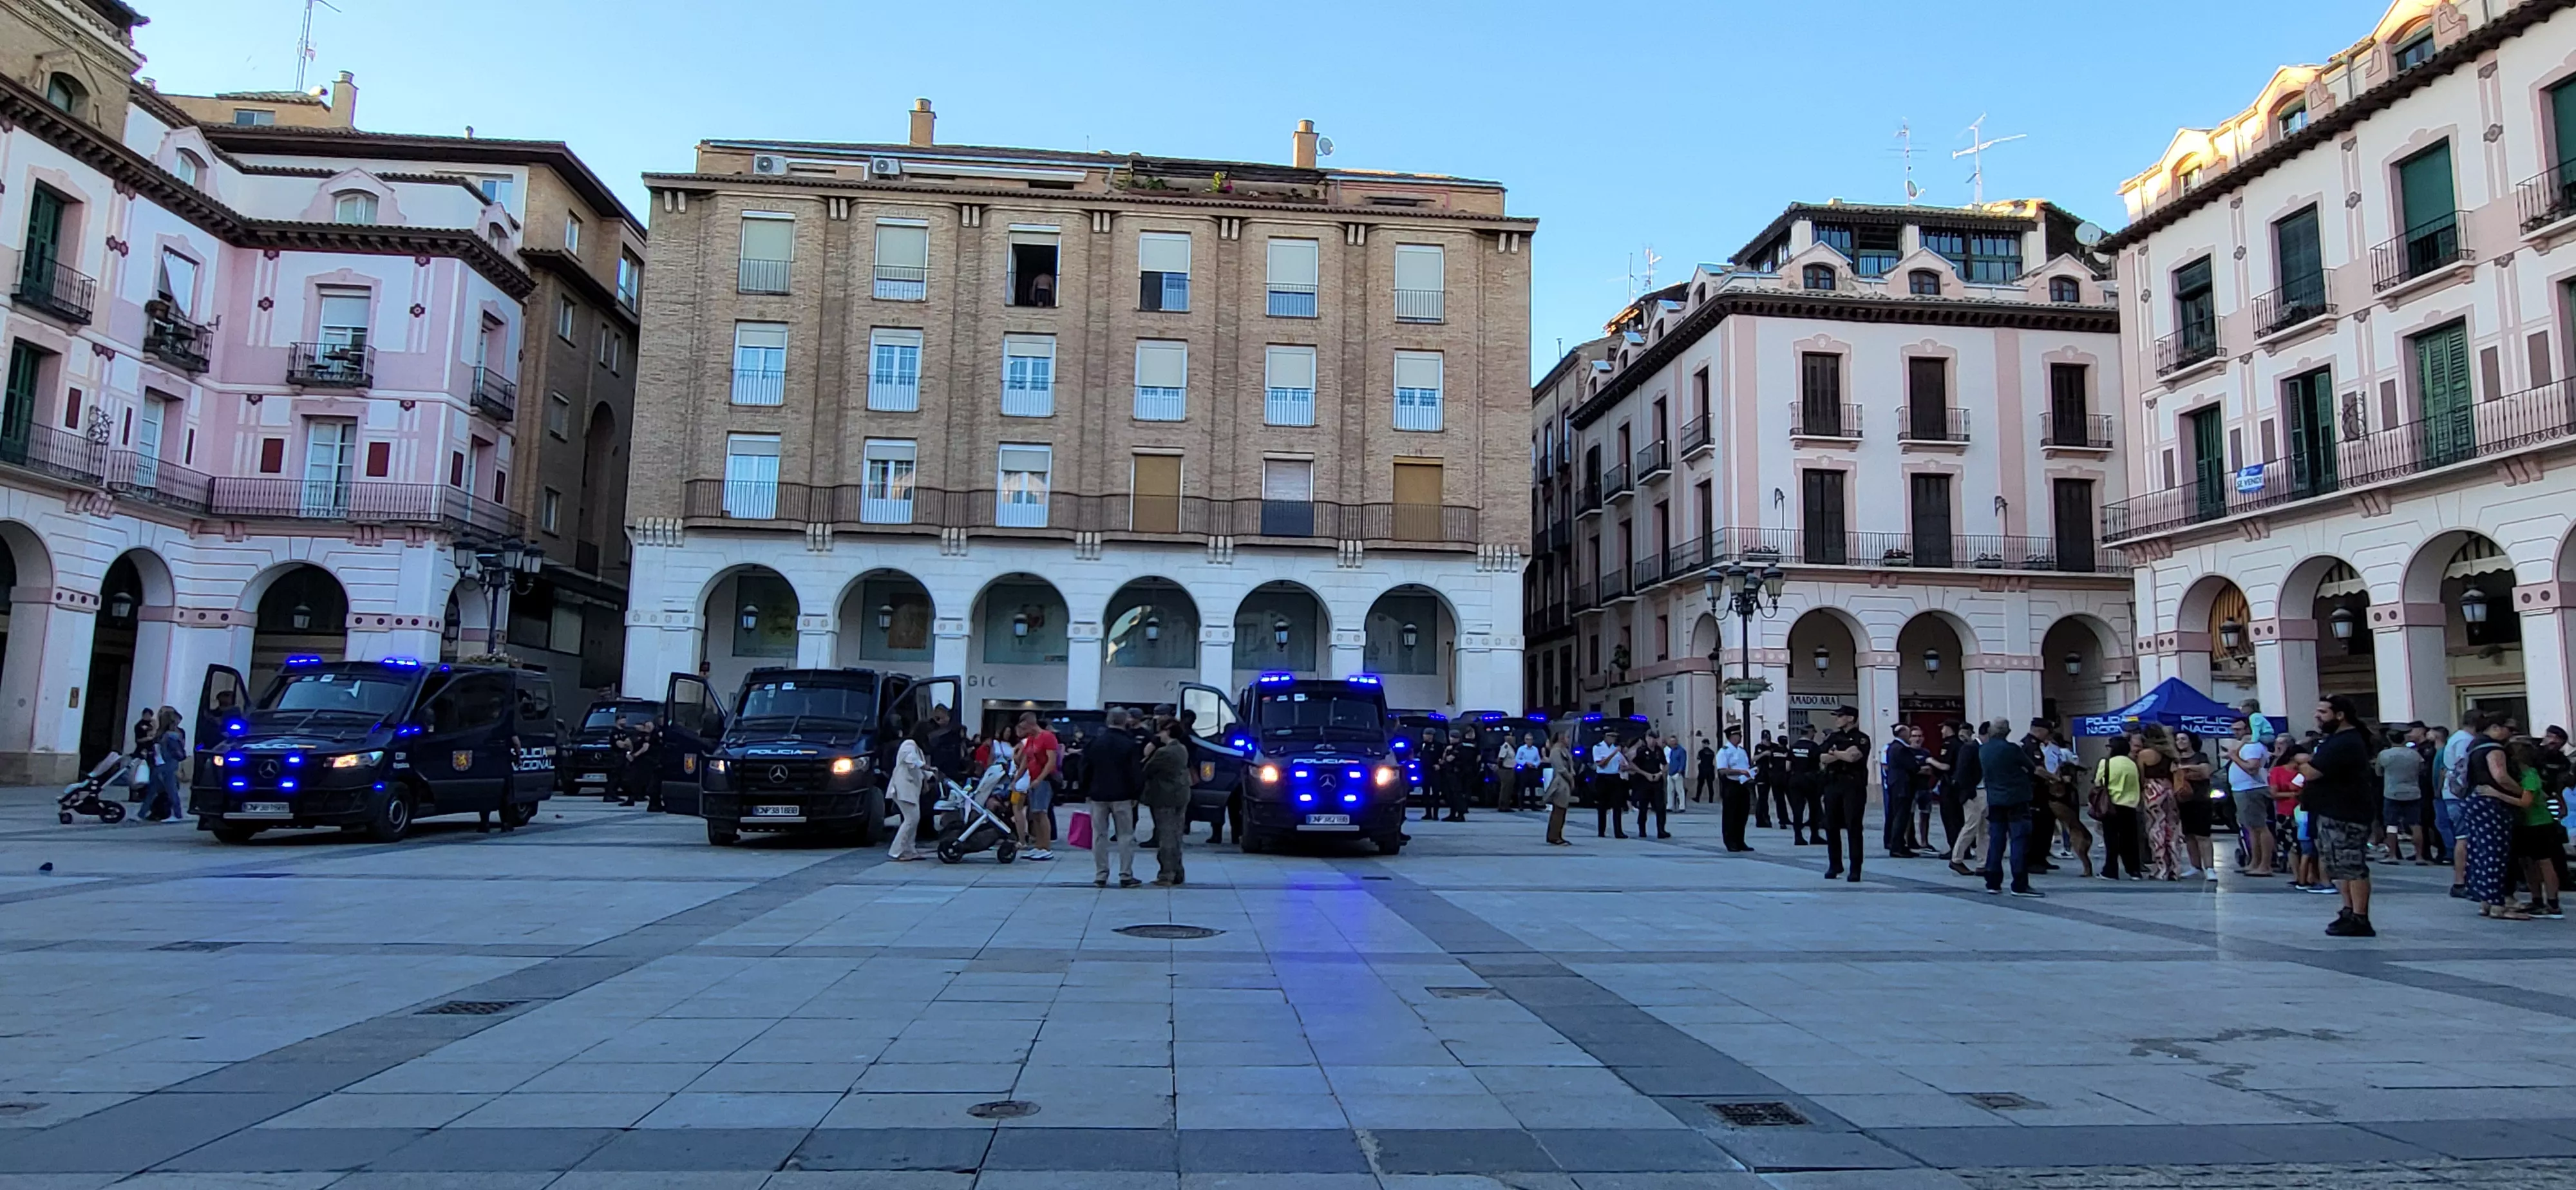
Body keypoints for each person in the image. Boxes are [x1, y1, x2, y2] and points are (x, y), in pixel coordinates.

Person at [2300, 695, 2380, 937]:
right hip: (2332, 810)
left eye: (2323, 712)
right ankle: (2349, 910)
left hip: (2346, 813)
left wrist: (2301, 762)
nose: (2317, 716)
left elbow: (2313, 773)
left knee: (2352, 866)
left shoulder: (2347, 741)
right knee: (2341, 868)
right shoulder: (2336, 740)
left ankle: (2360, 917)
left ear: (2340, 715)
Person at [2459, 713, 2526, 920]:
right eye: (2509, 729)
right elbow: (2501, 776)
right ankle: (2499, 905)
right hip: (2493, 803)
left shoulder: (2474, 745)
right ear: (2496, 727)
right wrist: (2522, 792)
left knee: (2479, 851)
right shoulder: (2494, 748)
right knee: (2496, 853)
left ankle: (2485, 901)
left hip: (2474, 800)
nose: (2511, 734)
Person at [1975, 719, 2041, 897]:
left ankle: (1993, 881)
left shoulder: (1984, 750)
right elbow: (2031, 767)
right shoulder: (2012, 749)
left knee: (1996, 840)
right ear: (2008, 731)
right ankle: (2019, 883)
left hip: (1995, 799)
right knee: (2019, 840)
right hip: (2017, 799)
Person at [1083, 708, 1145, 888]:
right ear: (1125, 721)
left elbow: (1085, 768)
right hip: (1123, 795)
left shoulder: (1095, 742)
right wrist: (1136, 794)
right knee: (1125, 836)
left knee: (1099, 835)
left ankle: (1101, 875)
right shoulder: (1129, 744)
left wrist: (1087, 791)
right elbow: (1135, 772)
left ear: (1108, 721)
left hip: (1098, 795)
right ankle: (1126, 874)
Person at [2510, 736, 2564, 919]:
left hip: (2539, 823)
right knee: (2529, 863)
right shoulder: (2523, 775)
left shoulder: (2530, 775)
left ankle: (2553, 903)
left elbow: (2526, 802)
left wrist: (2497, 794)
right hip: (2527, 824)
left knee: (2544, 862)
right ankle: (2537, 899)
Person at [1820, 707, 1871, 882]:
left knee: (1853, 826)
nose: (1837, 719)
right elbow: (1822, 757)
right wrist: (1841, 754)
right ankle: (1835, 864)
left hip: (1853, 785)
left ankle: (1855, 868)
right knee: (1831, 825)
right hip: (1833, 784)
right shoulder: (1833, 737)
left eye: (1840, 716)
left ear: (1851, 718)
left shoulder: (1861, 738)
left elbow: (1853, 758)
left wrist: (1834, 753)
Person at [1140, 718, 1191, 885]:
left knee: (1166, 836)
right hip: (1181, 795)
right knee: (1176, 835)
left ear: (1168, 732)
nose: (1158, 735)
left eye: (1161, 731)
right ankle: (1178, 872)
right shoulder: (1181, 748)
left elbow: (1146, 769)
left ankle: (1166, 874)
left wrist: (1149, 751)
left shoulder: (1164, 752)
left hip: (1165, 797)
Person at [2134, 727, 2185, 881]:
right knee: (2172, 828)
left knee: (2156, 828)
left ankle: (2161, 868)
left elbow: (2141, 777)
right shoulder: (2171, 753)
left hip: (2153, 790)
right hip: (2169, 789)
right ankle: (2175, 868)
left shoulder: (2144, 754)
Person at [2227, 722, 2276, 877]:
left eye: (2238, 729)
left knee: (2260, 827)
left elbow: (2252, 767)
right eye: (2233, 729)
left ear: (2248, 729)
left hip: (2251, 789)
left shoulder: (2253, 747)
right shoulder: (2246, 746)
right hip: (2243, 789)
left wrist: (2234, 757)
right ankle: (2255, 861)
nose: (2235, 732)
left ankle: (2265, 864)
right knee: (2251, 828)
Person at [2374, 727, 2427, 863]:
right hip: (2413, 792)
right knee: (2416, 824)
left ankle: (2392, 855)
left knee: (2392, 825)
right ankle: (2419, 856)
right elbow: (2422, 770)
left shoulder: (2384, 754)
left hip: (2392, 792)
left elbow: (2378, 772)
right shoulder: (2415, 755)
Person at [2439, 717, 2479, 894]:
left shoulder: (2456, 737)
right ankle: (2461, 880)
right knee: (2464, 837)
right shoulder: (2465, 740)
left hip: (2451, 793)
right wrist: (2464, 788)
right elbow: (2462, 766)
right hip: (2459, 795)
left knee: (2463, 837)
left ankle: (2463, 879)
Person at [2095, 736, 2144, 880]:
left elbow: (2099, 782)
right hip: (2129, 805)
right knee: (2130, 840)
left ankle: (2110, 870)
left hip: (2111, 805)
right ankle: (2134, 870)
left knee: (2111, 839)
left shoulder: (2106, 763)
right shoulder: (2132, 764)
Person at [1013, 712, 1060, 861]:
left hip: (1044, 780)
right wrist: (1016, 779)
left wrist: (1040, 779)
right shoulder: (1032, 740)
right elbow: (1026, 761)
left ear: (1031, 725)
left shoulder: (1047, 737)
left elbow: (1051, 762)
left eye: (1024, 728)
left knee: (1041, 812)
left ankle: (1046, 847)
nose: (1023, 732)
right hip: (1033, 779)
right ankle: (1039, 845)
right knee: (1034, 813)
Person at [2171, 730, 2216, 880]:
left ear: (2191, 741)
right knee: (2189, 835)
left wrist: (2183, 769)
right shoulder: (2175, 759)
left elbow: (2206, 771)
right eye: (2178, 739)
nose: (2180, 742)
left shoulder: (2200, 756)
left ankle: (2209, 867)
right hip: (2183, 801)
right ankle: (2195, 866)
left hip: (2201, 800)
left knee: (2203, 835)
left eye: (2183, 739)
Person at [887, 724, 933, 860]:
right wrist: (926, 767)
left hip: (910, 789)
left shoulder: (916, 747)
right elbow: (911, 760)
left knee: (913, 819)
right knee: (911, 819)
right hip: (904, 787)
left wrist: (929, 774)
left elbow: (917, 767)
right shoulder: (909, 744)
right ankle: (898, 850)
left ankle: (909, 849)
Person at [1947, 722, 1987, 876]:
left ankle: (1983, 863)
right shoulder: (1970, 748)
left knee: (1985, 828)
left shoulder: (1985, 749)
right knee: (1971, 826)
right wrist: (1968, 793)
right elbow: (1962, 771)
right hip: (1973, 792)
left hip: (1985, 791)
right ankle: (1956, 859)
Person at [1881, 724, 1922, 858]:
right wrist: (1918, 765)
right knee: (1901, 816)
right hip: (1902, 786)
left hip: (1896, 785)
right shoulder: (1901, 749)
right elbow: (1913, 766)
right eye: (1909, 733)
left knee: (1898, 815)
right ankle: (1897, 847)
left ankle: (1899, 845)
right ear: (1902, 734)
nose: (1910, 736)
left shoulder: (1893, 747)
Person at [142, 706, 187, 823]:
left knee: (170, 791)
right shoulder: (166, 734)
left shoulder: (170, 735)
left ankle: (177, 815)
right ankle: (142, 813)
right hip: (161, 764)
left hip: (166, 765)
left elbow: (176, 752)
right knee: (154, 791)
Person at [1714, 725, 1754, 851]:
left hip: (1743, 784)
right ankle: (1730, 841)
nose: (1740, 738)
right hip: (1731, 784)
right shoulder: (1724, 751)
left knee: (1742, 814)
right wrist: (1740, 772)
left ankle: (1740, 841)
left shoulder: (1742, 751)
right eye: (1738, 735)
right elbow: (1722, 770)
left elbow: (1747, 766)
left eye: (1741, 735)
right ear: (1731, 737)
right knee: (1730, 814)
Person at [1629, 733, 1669, 839]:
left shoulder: (1659, 751)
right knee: (1643, 807)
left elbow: (1665, 764)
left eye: (1654, 738)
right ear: (1646, 739)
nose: (1652, 741)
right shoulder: (1641, 751)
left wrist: (1660, 773)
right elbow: (1633, 765)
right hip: (1644, 782)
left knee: (1660, 807)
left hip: (1657, 781)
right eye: (1650, 738)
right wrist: (1646, 774)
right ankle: (1642, 830)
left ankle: (1661, 830)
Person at [1592, 732, 1628, 838]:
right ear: (1606, 737)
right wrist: (1613, 754)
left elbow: (1624, 764)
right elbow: (1601, 764)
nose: (1613, 739)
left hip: (1615, 776)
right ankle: (1601, 830)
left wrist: (1623, 766)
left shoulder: (1616, 748)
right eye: (1611, 736)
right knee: (1602, 805)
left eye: (1615, 737)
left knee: (1617, 805)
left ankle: (1618, 831)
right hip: (1603, 777)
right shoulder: (1598, 747)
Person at [1542, 734, 1575, 846]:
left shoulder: (1564, 750)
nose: (1568, 740)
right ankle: (1554, 836)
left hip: (1565, 782)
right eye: (1567, 737)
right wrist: (1571, 779)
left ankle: (1557, 834)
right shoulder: (1556, 751)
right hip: (1560, 782)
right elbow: (1561, 768)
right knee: (1559, 810)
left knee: (1562, 810)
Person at [1514, 733, 1543, 813]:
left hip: (1533, 770)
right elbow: (1517, 759)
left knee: (1533, 788)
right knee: (1522, 787)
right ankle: (1521, 805)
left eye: (1530, 739)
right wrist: (1525, 763)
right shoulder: (1521, 749)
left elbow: (1538, 759)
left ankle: (1533, 806)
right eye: (1527, 739)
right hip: (1525, 769)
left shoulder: (1535, 749)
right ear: (1525, 740)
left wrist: (1535, 764)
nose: (1529, 741)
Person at [1665, 735, 1689, 815]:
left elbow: (1683, 762)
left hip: (1677, 773)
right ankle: (1670, 806)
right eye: (1671, 741)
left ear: (1676, 742)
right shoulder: (1672, 750)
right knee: (1670, 790)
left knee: (1680, 790)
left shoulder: (1681, 751)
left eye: (1673, 741)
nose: (1672, 743)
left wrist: (1680, 772)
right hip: (1671, 772)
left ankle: (1682, 807)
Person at [1694, 735, 1718, 806]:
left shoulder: (1701, 752)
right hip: (1710, 770)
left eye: (1703, 744)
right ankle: (1711, 799)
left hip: (1703, 770)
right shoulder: (1712, 752)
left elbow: (1698, 758)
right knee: (1710, 785)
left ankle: (1697, 798)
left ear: (1705, 744)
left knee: (1700, 785)